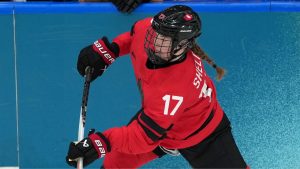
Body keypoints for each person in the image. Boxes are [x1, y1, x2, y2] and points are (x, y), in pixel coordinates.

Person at [66, 5, 249, 169]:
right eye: (155, 34)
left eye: (163, 40)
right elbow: (132, 38)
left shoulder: (175, 88)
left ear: (182, 46)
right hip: (160, 122)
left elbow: (143, 138)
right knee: (116, 162)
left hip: (204, 135)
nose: (154, 42)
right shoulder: (149, 31)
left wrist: (102, 142)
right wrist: (109, 51)